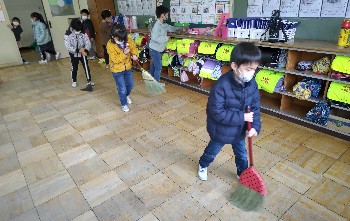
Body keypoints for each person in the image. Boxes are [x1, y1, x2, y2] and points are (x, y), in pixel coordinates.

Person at [198, 42, 262, 181]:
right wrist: (243, 117)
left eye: (254, 69)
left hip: (239, 130)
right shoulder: (221, 86)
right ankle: (203, 164)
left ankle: (243, 173)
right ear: (234, 66)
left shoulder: (252, 85)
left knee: (242, 155)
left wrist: (255, 127)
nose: (252, 73)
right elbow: (217, 112)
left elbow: (255, 108)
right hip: (221, 130)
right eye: (248, 69)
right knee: (212, 152)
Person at [107, 24, 138, 112]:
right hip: (116, 70)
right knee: (122, 88)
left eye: (123, 38)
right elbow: (115, 60)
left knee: (131, 85)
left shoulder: (127, 39)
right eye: (119, 39)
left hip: (127, 67)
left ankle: (126, 95)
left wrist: (135, 55)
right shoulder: (110, 45)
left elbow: (133, 48)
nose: (121, 41)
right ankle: (124, 104)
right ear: (113, 36)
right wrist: (124, 53)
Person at [149, 5, 179, 86]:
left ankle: (151, 80)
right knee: (158, 66)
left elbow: (170, 28)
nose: (168, 16)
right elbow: (154, 38)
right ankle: (156, 83)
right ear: (162, 15)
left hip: (157, 49)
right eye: (167, 14)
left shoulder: (163, 24)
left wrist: (179, 28)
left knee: (154, 65)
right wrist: (166, 38)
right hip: (155, 49)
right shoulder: (157, 25)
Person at [64, 18, 94, 92]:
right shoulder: (68, 34)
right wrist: (77, 50)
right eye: (76, 30)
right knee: (74, 67)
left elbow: (87, 42)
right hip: (73, 53)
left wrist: (85, 49)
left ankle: (89, 81)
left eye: (79, 30)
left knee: (86, 66)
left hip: (83, 52)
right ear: (73, 28)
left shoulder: (83, 32)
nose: (78, 31)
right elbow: (68, 46)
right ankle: (74, 80)